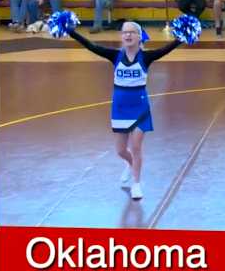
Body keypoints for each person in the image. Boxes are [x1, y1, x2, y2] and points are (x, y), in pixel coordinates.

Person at [66, 22, 183, 200]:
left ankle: (136, 184)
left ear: (139, 36)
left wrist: (182, 38)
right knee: (121, 151)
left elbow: (166, 49)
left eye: (132, 32)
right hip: (120, 106)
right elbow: (92, 46)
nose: (128, 35)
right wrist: (71, 32)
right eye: (124, 32)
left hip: (139, 106)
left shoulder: (146, 57)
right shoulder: (115, 55)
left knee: (136, 147)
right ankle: (130, 165)